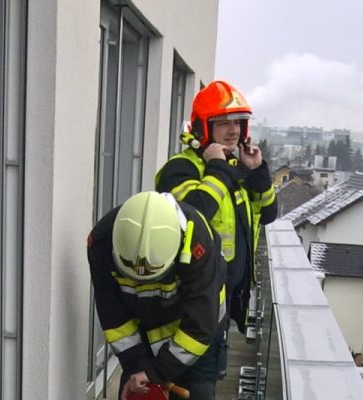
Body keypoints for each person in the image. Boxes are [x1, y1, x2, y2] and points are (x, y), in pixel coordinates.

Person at [155, 80, 277, 336]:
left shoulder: (234, 168)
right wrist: (218, 168)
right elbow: (194, 214)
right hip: (194, 300)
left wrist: (257, 171)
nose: (234, 131)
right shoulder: (181, 169)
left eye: (238, 123)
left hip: (227, 298)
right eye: (223, 123)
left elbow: (268, 214)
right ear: (204, 127)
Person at [87, 191, 228, 400]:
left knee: (198, 392)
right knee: (136, 390)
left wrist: (158, 372)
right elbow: (115, 318)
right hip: (143, 336)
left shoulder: (196, 240)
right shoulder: (101, 243)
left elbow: (201, 322)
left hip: (197, 334)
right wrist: (137, 367)